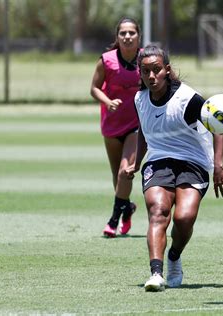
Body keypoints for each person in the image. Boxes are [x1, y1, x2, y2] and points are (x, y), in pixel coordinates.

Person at [124, 44, 223, 292]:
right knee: (159, 211)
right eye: (146, 71)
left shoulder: (188, 99)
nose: (151, 76)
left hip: (193, 161)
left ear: (167, 70)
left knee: (184, 218)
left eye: (157, 70)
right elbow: (143, 132)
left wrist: (219, 166)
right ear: (139, 73)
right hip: (158, 160)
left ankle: (174, 256)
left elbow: (219, 124)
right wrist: (136, 162)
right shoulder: (139, 99)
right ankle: (156, 273)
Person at [90, 17, 142, 238]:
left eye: (131, 33)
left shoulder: (146, 59)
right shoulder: (106, 61)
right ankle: (127, 207)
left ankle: (113, 221)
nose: (127, 37)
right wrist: (107, 101)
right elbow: (93, 88)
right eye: (123, 33)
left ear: (138, 36)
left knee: (125, 172)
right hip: (111, 124)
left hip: (136, 125)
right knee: (117, 176)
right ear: (117, 37)